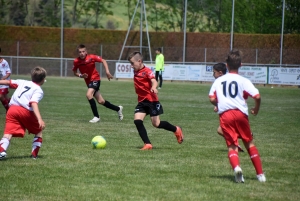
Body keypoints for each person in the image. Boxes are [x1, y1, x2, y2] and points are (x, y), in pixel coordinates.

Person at [209, 50, 266, 183]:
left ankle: (237, 168)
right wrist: (256, 109)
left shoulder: (219, 80)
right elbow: (257, 96)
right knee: (249, 143)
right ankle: (260, 175)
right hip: (241, 114)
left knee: (232, 146)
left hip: (226, 115)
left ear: (226, 65)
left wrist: (219, 103)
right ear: (241, 64)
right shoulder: (244, 80)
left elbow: (211, 97)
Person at [127, 51, 183, 150]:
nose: (131, 66)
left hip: (151, 101)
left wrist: (154, 87)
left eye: (132, 63)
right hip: (142, 102)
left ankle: (176, 129)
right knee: (137, 121)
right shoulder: (135, 70)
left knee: (156, 124)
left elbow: (154, 81)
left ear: (139, 61)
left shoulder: (147, 71)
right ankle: (147, 144)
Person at [0, 66, 47, 159]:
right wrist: (39, 119)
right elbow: (33, 103)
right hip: (24, 111)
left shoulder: (23, 82)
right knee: (38, 131)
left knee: (8, 132)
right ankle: (34, 155)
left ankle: (1, 151)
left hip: (12, 109)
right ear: (43, 80)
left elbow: (7, 82)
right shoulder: (38, 90)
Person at [72, 44, 123, 123]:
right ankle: (118, 109)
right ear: (78, 53)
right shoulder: (76, 61)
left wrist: (107, 72)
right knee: (101, 101)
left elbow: (103, 60)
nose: (81, 53)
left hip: (95, 79)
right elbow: (75, 72)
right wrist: (81, 75)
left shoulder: (91, 57)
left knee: (89, 95)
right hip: (88, 82)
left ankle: (96, 116)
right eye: (80, 52)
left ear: (86, 52)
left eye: (83, 51)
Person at [212, 62, 244, 153]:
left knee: (221, 130)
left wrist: (218, 105)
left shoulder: (220, 82)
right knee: (221, 130)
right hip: (238, 110)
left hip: (229, 111)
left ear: (220, 73)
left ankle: (240, 139)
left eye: (214, 72)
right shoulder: (230, 79)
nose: (213, 75)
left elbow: (214, 97)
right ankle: (238, 141)